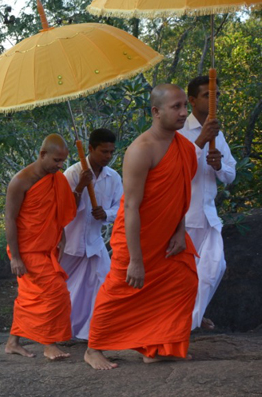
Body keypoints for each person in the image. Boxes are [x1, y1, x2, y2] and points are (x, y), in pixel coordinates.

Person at [85, 84, 199, 370]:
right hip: (136, 236)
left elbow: (180, 193)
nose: (184, 112)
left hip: (169, 233)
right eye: (177, 107)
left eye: (185, 105)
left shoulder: (183, 147)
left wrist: (179, 230)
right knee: (121, 288)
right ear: (156, 112)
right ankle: (93, 348)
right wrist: (135, 260)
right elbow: (132, 207)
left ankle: (155, 345)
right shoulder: (141, 150)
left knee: (183, 280)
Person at [4, 135, 77, 360]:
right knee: (56, 293)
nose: (60, 166)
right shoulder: (20, 181)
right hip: (27, 250)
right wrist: (15, 257)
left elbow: (57, 210)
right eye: (56, 160)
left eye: (63, 161)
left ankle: (12, 343)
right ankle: (49, 344)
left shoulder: (57, 179)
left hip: (46, 248)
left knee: (29, 298)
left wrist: (61, 236)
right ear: (42, 154)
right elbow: (9, 219)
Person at [180, 76, 237, 331]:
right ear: (192, 100)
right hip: (184, 215)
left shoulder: (219, 134)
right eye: (207, 95)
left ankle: (190, 320)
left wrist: (218, 165)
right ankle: (186, 322)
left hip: (208, 214)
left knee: (215, 267)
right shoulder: (180, 130)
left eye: (216, 95)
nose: (214, 100)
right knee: (184, 275)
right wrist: (200, 141)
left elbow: (230, 175)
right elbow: (175, 169)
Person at [61, 129, 123, 340]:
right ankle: (62, 331)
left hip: (95, 244)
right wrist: (79, 186)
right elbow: (63, 210)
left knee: (105, 286)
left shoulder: (113, 178)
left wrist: (106, 213)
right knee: (64, 291)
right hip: (70, 245)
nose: (108, 156)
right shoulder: (71, 173)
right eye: (104, 151)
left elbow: (120, 207)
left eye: (111, 152)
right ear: (90, 149)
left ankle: (95, 334)